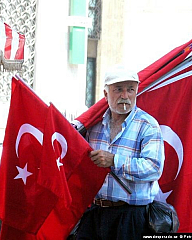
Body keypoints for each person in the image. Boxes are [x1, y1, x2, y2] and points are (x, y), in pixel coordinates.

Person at [75, 65, 165, 240]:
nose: (125, 96)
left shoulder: (147, 125)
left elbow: (153, 167)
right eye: (118, 89)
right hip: (95, 213)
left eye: (130, 90)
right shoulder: (92, 125)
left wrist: (114, 160)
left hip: (131, 217)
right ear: (106, 94)